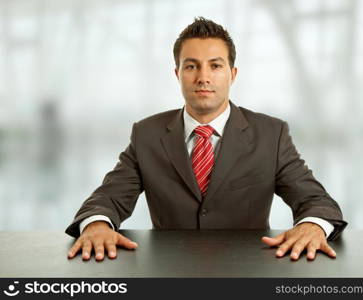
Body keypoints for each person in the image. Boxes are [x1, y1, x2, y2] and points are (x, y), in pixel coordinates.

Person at [66, 17, 347, 262]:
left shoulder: (271, 134)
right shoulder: (146, 134)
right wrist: (97, 225)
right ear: (178, 74)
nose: (203, 77)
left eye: (215, 66)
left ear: (232, 74)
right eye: (191, 67)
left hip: (249, 273)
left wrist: (312, 226)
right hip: (168, 273)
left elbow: (315, 201)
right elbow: (108, 198)